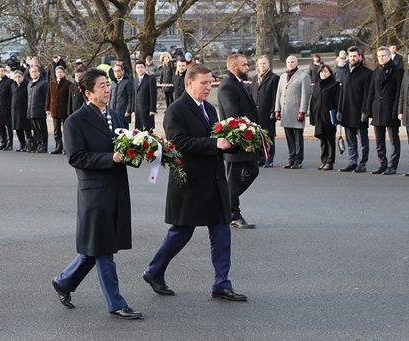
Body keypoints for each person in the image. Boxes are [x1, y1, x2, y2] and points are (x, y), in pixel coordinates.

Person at [142, 63, 247, 302]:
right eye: (204, 83)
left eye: (210, 83)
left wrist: (237, 140)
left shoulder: (209, 108)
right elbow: (178, 143)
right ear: (189, 83)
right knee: (181, 233)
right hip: (190, 183)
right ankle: (153, 271)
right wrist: (214, 144)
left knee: (221, 232)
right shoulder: (176, 110)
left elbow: (220, 140)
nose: (208, 87)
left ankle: (222, 283)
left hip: (214, 182)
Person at [51, 68, 142, 320]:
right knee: (104, 249)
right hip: (94, 193)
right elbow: (76, 157)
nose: (107, 89)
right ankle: (116, 303)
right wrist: (110, 157)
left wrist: (141, 151)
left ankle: (64, 282)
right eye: (102, 85)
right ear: (88, 92)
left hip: (117, 189)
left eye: (108, 84)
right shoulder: (75, 121)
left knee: (98, 245)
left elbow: (126, 146)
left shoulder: (114, 115)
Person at [217, 53, 258, 229]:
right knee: (233, 179)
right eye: (244, 64)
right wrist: (244, 136)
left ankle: (224, 202)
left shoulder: (237, 83)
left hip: (245, 139)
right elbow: (233, 116)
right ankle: (233, 212)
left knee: (252, 171)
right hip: (236, 141)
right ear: (234, 67)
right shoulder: (228, 86)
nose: (247, 67)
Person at [366, 46, 403, 175]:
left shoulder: (398, 71)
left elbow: (399, 93)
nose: (381, 58)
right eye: (379, 56)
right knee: (379, 140)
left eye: (383, 56)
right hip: (378, 109)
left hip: (391, 109)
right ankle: (383, 164)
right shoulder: (375, 71)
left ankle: (393, 165)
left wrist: (397, 110)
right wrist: (368, 109)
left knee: (393, 140)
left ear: (389, 56)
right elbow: (371, 91)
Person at [338, 46, 373, 173]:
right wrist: (339, 110)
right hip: (346, 111)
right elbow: (342, 92)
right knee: (350, 140)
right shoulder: (345, 72)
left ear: (360, 57)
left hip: (359, 112)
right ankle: (352, 162)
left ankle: (362, 163)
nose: (352, 58)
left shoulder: (367, 73)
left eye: (354, 56)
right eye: (350, 56)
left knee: (363, 141)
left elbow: (368, 94)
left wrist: (366, 111)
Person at [274, 55, 311, 169]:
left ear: (296, 63)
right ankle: (291, 158)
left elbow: (305, 95)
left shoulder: (303, 76)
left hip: (296, 111)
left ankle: (298, 160)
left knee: (297, 137)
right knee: (289, 137)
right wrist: (277, 109)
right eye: (288, 62)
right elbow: (279, 94)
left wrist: (302, 111)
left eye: (292, 62)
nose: (290, 64)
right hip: (285, 111)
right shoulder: (283, 76)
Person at [309, 64, 340, 170]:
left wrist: (338, 116)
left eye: (326, 72)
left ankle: (330, 162)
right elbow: (313, 102)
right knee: (322, 139)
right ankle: (324, 160)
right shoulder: (317, 85)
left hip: (329, 116)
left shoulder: (335, 85)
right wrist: (312, 117)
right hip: (318, 116)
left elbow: (338, 102)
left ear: (330, 73)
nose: (323, 74)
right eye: (321, 72)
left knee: (330, 139)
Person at [251, 55, 279, 168]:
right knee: (257, 137)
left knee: (269, 137)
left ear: (268, 64)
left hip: (267, 113)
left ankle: (269, 159)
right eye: (261, 63)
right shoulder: (254, 79)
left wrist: (274, 110)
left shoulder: (274, 78)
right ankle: (260, 158)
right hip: (256, 113)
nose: (262, 65)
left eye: (264, 63)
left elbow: (275, 96)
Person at [45, 66, 71, 154]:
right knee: (56, 130)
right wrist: (47, 108)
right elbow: (48, 96)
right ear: (55, 74)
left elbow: (69, 98)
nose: (59, 74)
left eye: (61, 72)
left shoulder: (68, 84)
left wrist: (69, 110)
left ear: (64, 73)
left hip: (64, 110)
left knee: (66, 130)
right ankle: (58, 147)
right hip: (55, 110)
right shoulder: (52, 83)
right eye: (57, 72)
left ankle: (67, 149)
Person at [27, 65, 49, 153]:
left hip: (40, 110)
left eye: (35, 71)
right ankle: (39, 145)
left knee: (42, 129)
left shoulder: (43, 83)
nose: (33, 73)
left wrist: (46, 109)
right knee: (35, 130)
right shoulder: (29, 83)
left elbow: (47, 97)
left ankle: (44, 146)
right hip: (31, 111)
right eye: (32, 72)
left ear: (39, 72)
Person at [11, 70, 33, 152]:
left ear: (23, 77)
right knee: (18, 129)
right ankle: (22, 145)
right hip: (15, 110)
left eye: (19, 77)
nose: (17, 78)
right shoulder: (13, 85)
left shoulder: (27, 84)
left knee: (27, 129)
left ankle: (29, 145)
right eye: (16, 77)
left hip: (24, 109)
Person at [132, 60, 157, 131]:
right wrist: (133, 109)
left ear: (145, 68)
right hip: (138, 109)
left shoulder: (150, 79)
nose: (140, 69)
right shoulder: (135, 80)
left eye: (141, 67)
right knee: (139, 130)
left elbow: (153, 95)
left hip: (147, 109)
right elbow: (134, 95)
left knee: (148, 130)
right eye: (138, 67)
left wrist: (152, 109)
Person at [0, 65, 14, 151]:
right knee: (0, 126)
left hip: (7, 106)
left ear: (4, 72)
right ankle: (3, 143)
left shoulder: (9, 81)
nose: (0, 72)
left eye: (2, 71)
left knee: (8, 126)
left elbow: (12, 95)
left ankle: (9, 144)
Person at [110, 64, 133, 129]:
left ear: (123, 71)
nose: (117, 73)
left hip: (123, 112)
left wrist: (128, 111)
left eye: (118, 71)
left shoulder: (127, 82)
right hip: (113, 111)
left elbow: (130, 97)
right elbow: (110, 97)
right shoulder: (113, 83)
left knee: (123, 133)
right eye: (115, 71)